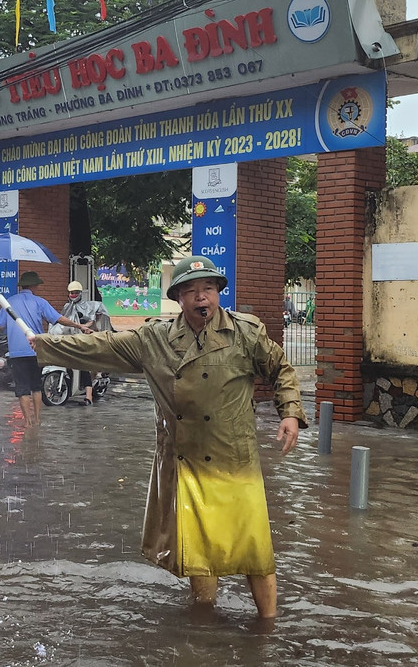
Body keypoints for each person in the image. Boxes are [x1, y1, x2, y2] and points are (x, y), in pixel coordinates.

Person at [33, 255, 305, 619]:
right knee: (198, 553)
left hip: (235, 460)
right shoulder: (155, 338)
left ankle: (268, 627)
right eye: (191, 291)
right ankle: (203, 620)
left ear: (218, 292)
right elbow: (102, 346)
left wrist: (290, 413)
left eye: (208, 288)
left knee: (255, 550)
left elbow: (281, 368)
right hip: (184, 459)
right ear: (178, 297)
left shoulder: (245, 332)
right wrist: (46, 345)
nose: (201, 297)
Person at [0, 271, 90, 427]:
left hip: (17, 352)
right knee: (36, 386)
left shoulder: (8, 302)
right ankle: (37, 420)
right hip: (36, 349)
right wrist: (79, 326)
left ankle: (28, 422)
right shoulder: (40, 302)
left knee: (22, 388)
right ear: (34, 286)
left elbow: (0, 325)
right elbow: (59, 319)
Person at [58, 280, 111, 405]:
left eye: (76, 293)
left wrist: (83, 326)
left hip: (83, 338)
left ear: (80, 293)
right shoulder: (66, 307)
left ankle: (88, 397)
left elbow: (91, 321)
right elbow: (61, 320)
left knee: (83, 366)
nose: (73, 295)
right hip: (70, 338)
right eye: (71, 292)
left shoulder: (87, 306)